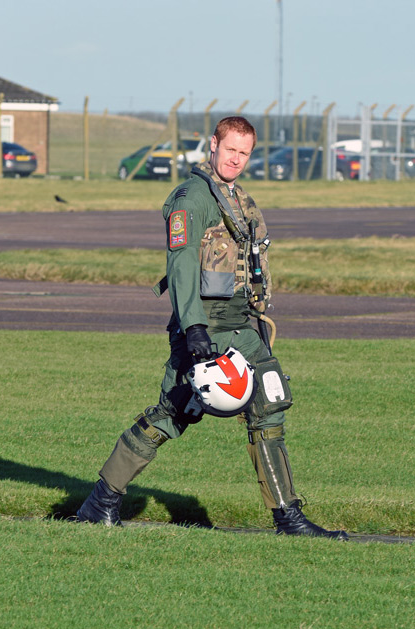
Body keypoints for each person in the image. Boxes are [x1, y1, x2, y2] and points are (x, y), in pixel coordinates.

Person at [76, 116, 347, 539]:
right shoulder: (193, 198)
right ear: (213, 145)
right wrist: (194, 328)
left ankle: (288, 517)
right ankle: (101, 500)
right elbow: (182, 264)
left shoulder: (237, 200)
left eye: (244, 153)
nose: (236, 159)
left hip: (241, 325)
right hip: (205, 327)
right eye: (230, 149)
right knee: (172, 413)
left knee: (270, 405)